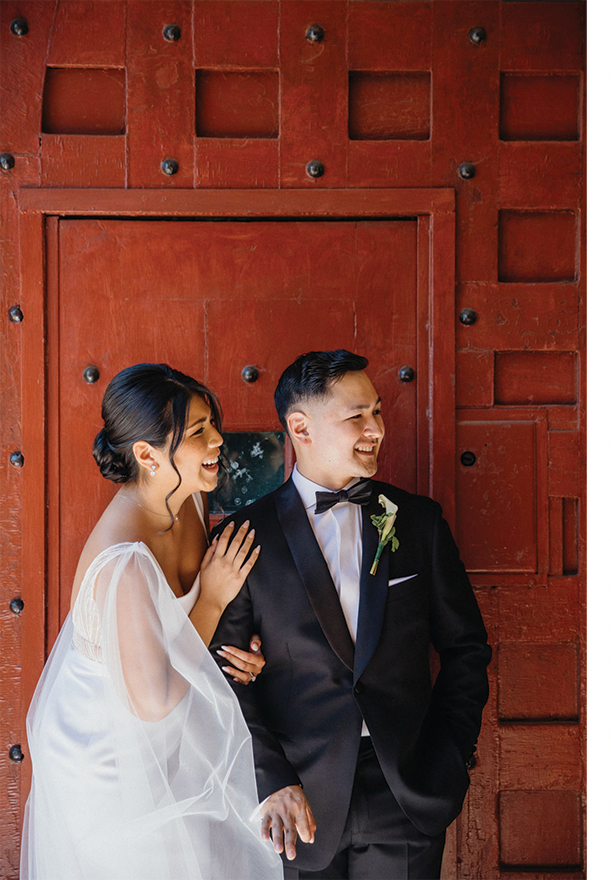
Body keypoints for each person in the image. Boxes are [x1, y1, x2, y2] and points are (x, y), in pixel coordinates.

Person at [210, 349, 492, 880]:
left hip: (407, 791)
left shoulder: (419, 521)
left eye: (378, 412)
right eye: (356, 416)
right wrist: (269, 776)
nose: (376, 429)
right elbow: (223, 675)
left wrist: (449, 756)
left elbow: (466, 651)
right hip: (296, 802)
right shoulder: (243, 537)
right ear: (301, 427)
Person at [22, 363, 280, 880]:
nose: (217, 442)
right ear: (146, 455)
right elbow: (153, 700)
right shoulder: (125, 560)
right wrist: (211, 599)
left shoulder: (187, 498)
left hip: (169, 738)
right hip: (112, 761)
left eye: (213, 424)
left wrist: (238, 649)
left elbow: (187, 643)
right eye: (198, 433)